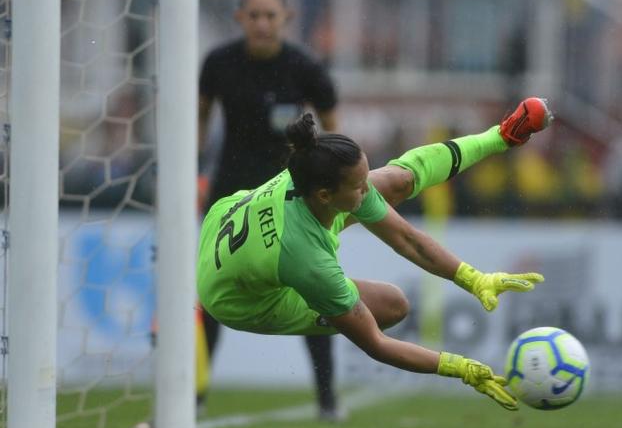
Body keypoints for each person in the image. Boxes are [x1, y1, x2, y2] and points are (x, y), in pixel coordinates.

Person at [196, 97, 554, 410]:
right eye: (358, 185)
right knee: (392, 306)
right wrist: (460, 368)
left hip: (229, 221)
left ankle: (502, 135)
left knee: (397, 181)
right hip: (238, 301)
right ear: (325, 195)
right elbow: (376, 344)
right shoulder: (308, 262)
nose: (366, 188)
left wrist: (475, 279)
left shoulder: (311, 169)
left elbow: (408, 240)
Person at [197, 0, 340, 419]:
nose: (261, 23)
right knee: (214, 296)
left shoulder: (305, 68)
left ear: (286, 18)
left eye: (270, 15)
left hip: (288, 198)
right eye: (253, 15)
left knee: (314, 292)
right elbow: (197, 121)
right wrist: (191, 174)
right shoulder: (218, 63)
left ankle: (327, 401)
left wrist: (331, 188)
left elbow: (335, 132)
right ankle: (195, 396)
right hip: (229, 197)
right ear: (240, 18)